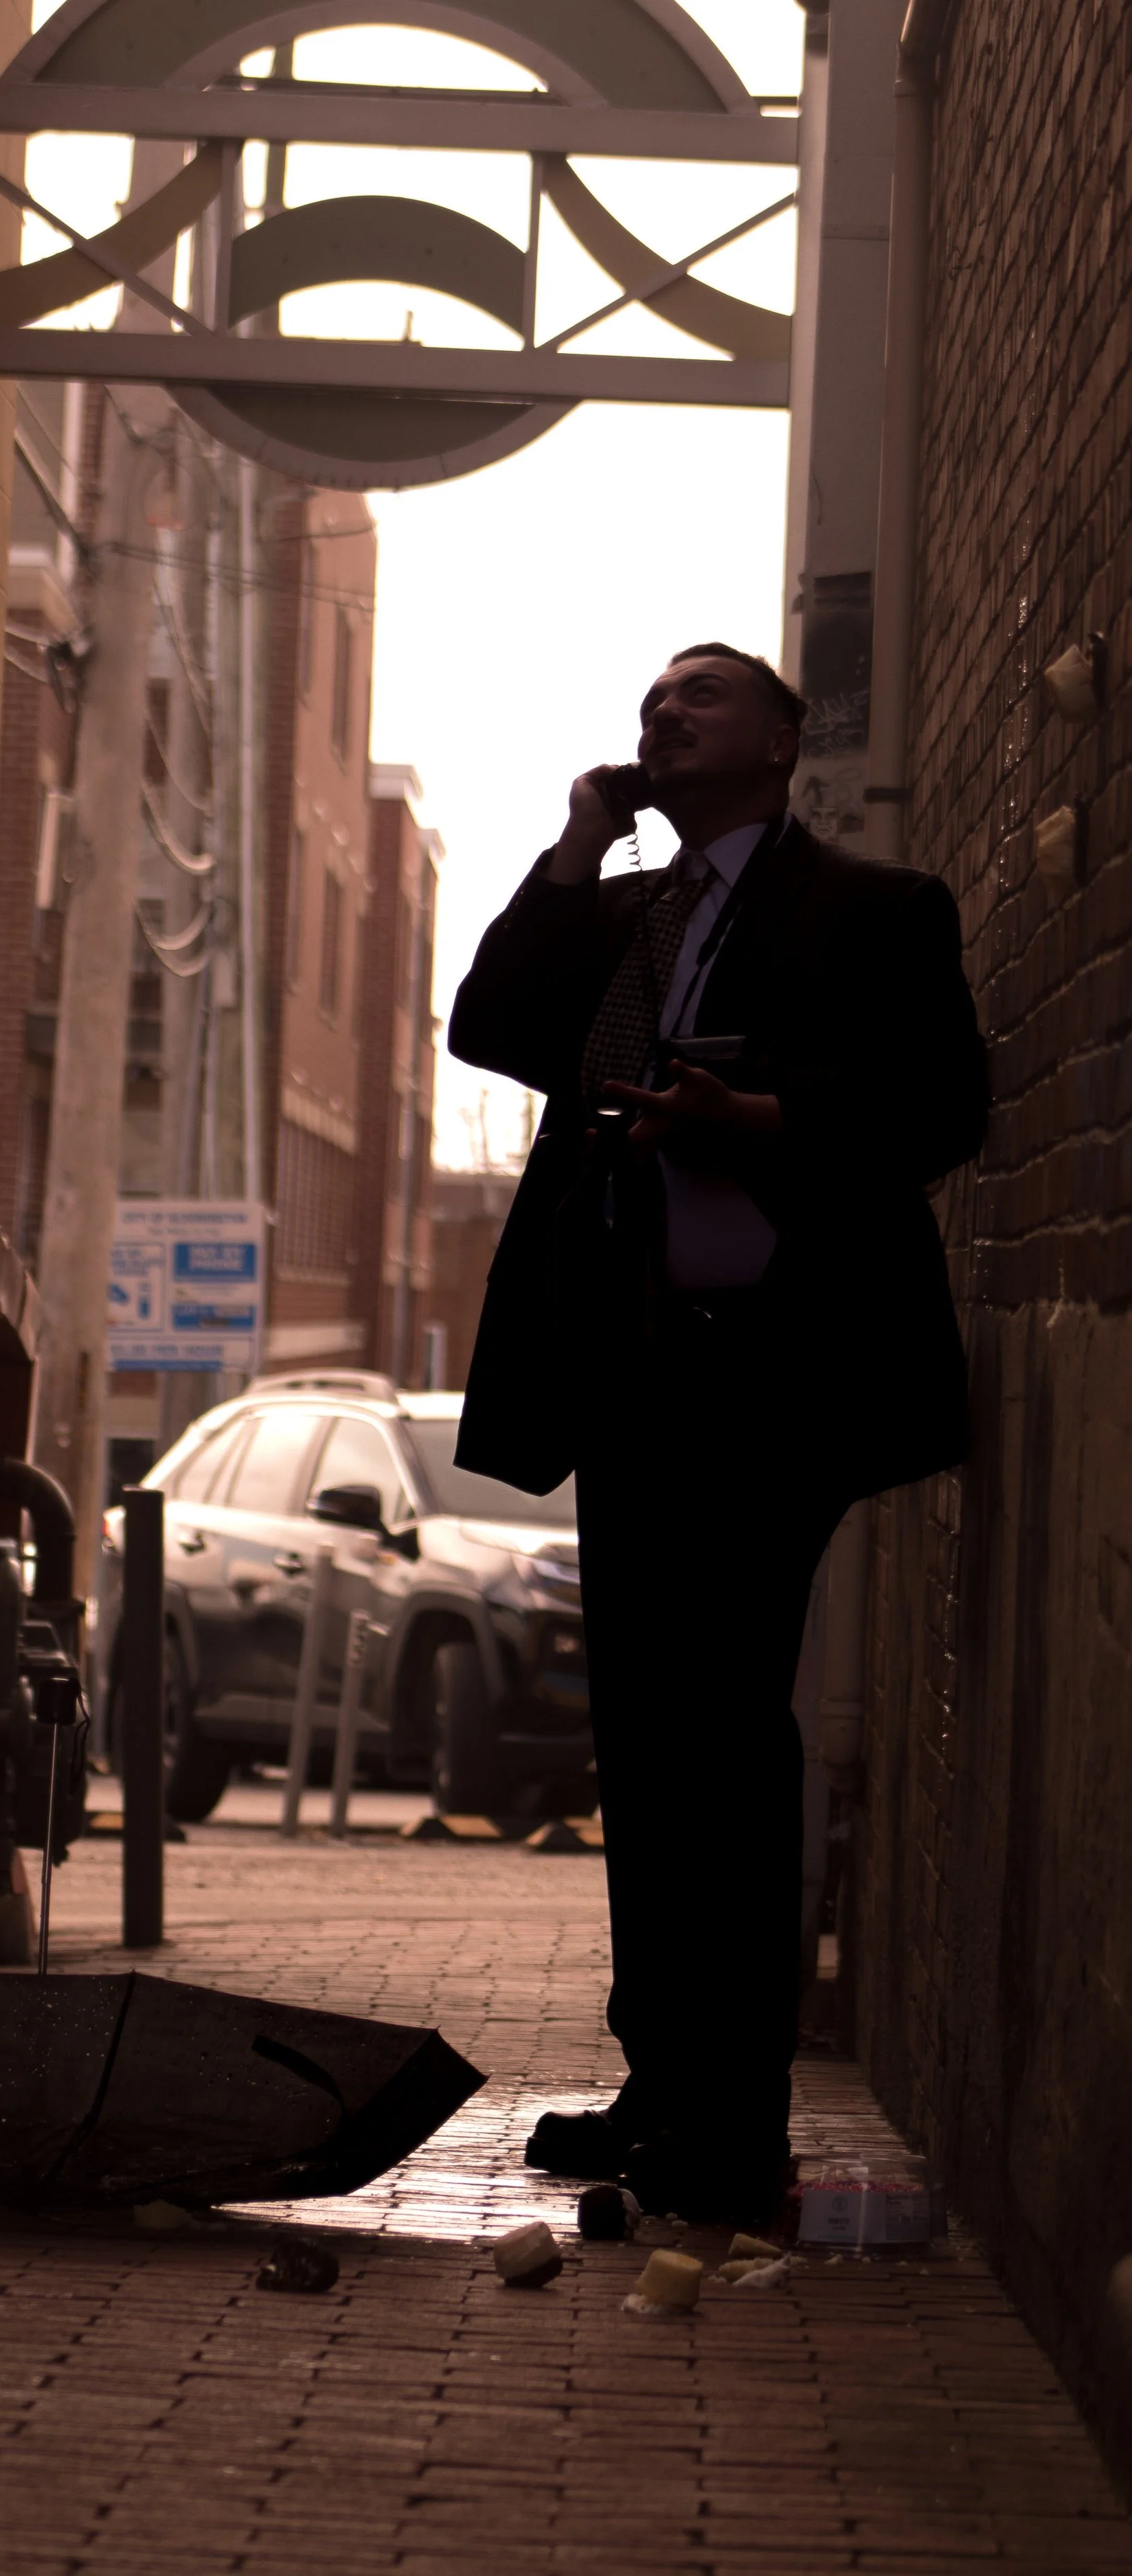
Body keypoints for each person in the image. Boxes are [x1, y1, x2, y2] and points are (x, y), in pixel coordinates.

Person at [449, 644, 987, 2221]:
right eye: (647, 706)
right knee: (650, 1737)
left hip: (776, 1377)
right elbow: (491, 1024)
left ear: (779, 740)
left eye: (696, 696)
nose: (658, 716)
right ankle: (661, 2080)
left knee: (724, 1730)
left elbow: (939, 1110)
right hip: (626, 1375)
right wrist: (572, 841)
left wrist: (756, 1121)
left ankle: (734, 2118)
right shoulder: (623, 916)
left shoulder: (872, 911)